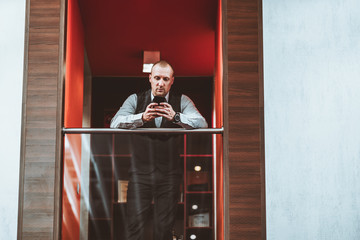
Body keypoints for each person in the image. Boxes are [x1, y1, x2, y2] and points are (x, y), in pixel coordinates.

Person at [110, 60, 207, 240]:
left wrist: (177, 117)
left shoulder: (182, 100)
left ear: (172, 81)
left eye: (165, 79)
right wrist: (142, 118)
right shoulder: (135, 99)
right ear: (150, 79)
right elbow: (115, 123)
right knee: (134, 227)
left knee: (164, 228)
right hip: (140, 174)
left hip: (169, 175)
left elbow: (202, 123)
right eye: (157, 78)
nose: (160, 83)